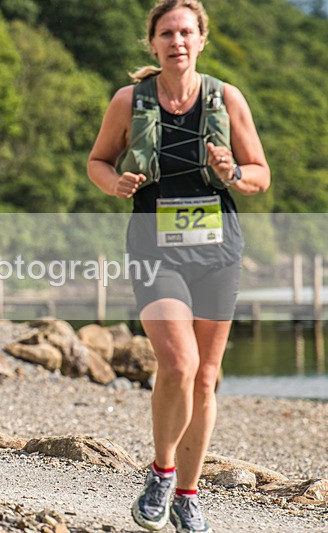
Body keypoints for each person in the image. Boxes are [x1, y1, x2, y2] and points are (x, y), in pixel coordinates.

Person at [87, 1, 269, 532]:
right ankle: (162, 473)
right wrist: (113, 183)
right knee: (180, 364)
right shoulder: (130, 100)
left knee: (207, 378)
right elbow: (99, 161)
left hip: (218, 251)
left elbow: (260, 175)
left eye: (186, 32)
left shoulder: (225, 98)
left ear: (201, 39)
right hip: (153, 248)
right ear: (154, 43)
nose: (177, 41)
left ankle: (189, 494)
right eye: (167, 33)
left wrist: (232, 171)